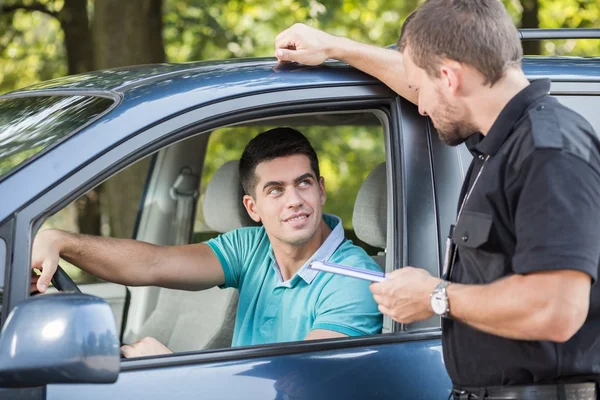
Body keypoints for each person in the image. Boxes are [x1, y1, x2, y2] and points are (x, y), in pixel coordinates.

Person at [276, 1, 600, 399]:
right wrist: (336, 48)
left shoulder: (548, 152)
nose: (421, 106)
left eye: (420, 90)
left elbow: (557, 309)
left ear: (449, 77)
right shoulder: (499, 140)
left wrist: (435, 295)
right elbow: (419, 78)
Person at [31, 127, 382, 358]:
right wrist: (60, 241)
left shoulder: (353, 278)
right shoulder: (252, 247)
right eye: (275, 190)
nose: (294, 200)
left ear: (321, 190)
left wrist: (171, 372)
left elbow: (302, 384)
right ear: (252, 207)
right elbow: (152, 263)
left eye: (303, 183)